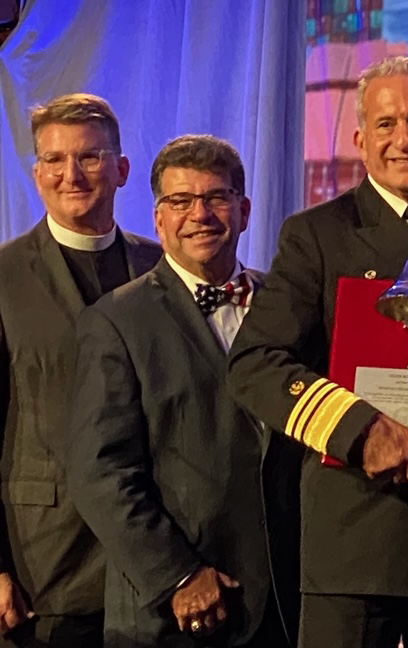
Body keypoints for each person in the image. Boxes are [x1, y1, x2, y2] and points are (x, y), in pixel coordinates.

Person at [228, 56, 408, 648]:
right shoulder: (315, 236)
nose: (403, 140)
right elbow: (256, 363)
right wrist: (361, 430)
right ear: (361, 140)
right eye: (385, 125)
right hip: (354, 546)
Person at [69, 135, 294, 647]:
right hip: (176, 612)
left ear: (245, 210)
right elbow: (99, 473)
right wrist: (179, 576)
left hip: (287, 604)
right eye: (180, 201)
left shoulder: (287, 305)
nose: (201, 214)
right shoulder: (115, 321)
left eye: (216, 197)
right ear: (158, 219)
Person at [0, 93, 162, 647]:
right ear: (37, 172)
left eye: (90, 158)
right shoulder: (3, 276)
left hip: (153, 563)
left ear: (121, 170)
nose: (72, 174)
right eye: (54, 159)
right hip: (42, 566)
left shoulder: (162, 268)